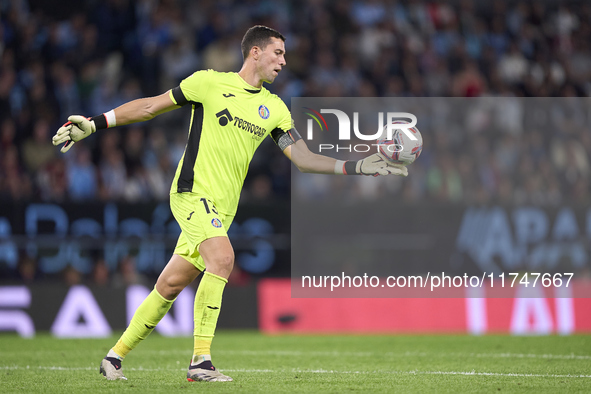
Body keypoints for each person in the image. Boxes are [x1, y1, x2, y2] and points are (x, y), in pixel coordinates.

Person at [52, 25, 408, 383]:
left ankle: (114, 357)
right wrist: (96, 123)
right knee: (223, 259)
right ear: (255, 52)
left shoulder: (274, 108)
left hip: (222, 209)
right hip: (191, 193)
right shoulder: (208, 82)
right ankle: (200, 363)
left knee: (171, 284)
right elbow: (149, 107)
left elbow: (303, 158)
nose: (284, 61)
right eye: (278, 53)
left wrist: (357, 166)